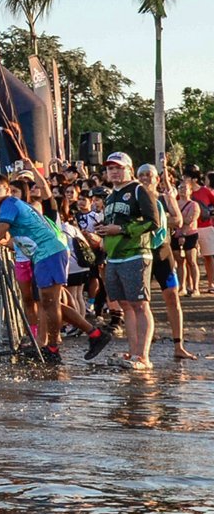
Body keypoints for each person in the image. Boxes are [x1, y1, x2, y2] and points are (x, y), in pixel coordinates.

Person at [0, 172, 110, 364]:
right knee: (51, 304)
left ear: (7, 191)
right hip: (47, 253)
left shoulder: (10, 204)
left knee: (49, 304)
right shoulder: (8, 205)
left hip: (49, 253)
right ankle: (95, 334)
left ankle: (53, 348)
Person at [95, 152, 163, 370]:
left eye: (118, 167)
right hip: (114, 256)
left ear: (129, 169)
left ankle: (144, 356)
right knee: (125, 305)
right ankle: (133, 353)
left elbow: (154, 221)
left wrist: (122, 229)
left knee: (140, 305)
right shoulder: (110, 196)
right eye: (110, 168)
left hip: (136, 253)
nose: (113, 171)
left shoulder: (138, 190)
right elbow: (112, 223)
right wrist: (103, 231)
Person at [144, 165, 196, 361]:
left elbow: (178, 220)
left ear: (157, 179)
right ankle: (145, 347)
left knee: (172, 298)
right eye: (142, 175)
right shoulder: (135, 198)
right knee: (142, 302)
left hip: (163, 253)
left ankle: (179, 345)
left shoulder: (164, 198)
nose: (146, 178)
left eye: (149, 175)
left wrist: (160, 217)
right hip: (142, 254)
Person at [191, 170, 214, 295]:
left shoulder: (205, 191)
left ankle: (211, 284)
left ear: (194, 179)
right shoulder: (184, 191)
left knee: (208, 256)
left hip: (206, 227)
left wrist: (210, 215)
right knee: (190, 258)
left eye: (186, 177)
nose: (184, 179)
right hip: (191, 228)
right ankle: (192, 285)